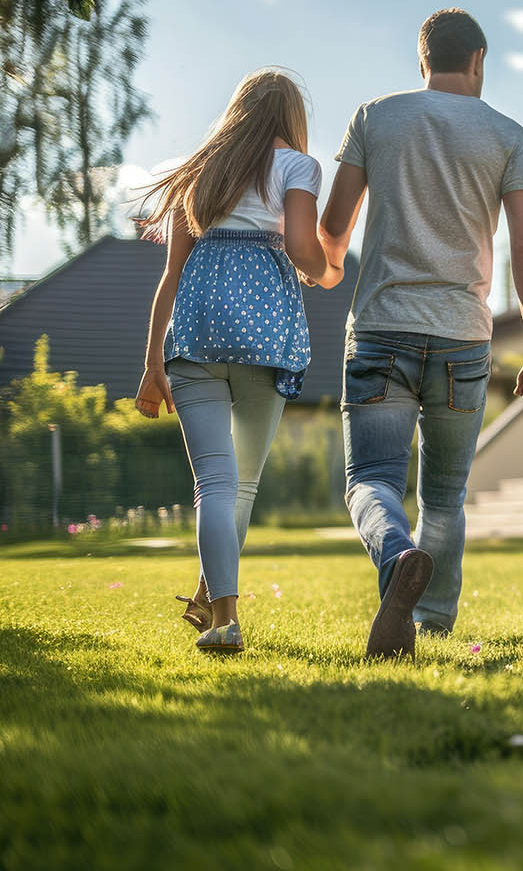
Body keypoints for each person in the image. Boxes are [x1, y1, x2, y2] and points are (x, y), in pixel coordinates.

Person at [317, 8, 523, 658]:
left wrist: (333, 264)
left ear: (422, 60)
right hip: (463, 338)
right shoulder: (507, 134)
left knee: (371, 479)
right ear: (478, 61)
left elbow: (334, 227)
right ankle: (433, 624)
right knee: (445, 495)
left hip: (381, 331)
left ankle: (396, 557)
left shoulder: (376, 117)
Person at [134, 69, 344, 654]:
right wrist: (328, 272)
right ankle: (215, 606)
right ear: (289, 117)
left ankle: (218, 609)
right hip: (265, 335)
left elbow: (170, 277)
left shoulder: (196, 174)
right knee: (241, 486)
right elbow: (305, 249)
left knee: (215, 485)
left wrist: (153, 364)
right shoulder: (297, 166)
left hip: (195, 336)